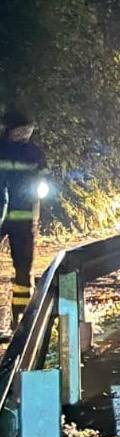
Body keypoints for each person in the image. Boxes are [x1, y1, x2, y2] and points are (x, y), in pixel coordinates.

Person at [0, 110, 46, 340]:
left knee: (23, 270)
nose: (25, 134)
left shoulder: (34, 152)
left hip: (24, 218)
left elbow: (44, 178)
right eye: (22, 129)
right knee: (22, 268)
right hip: (9, 216)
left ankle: (19, 319)